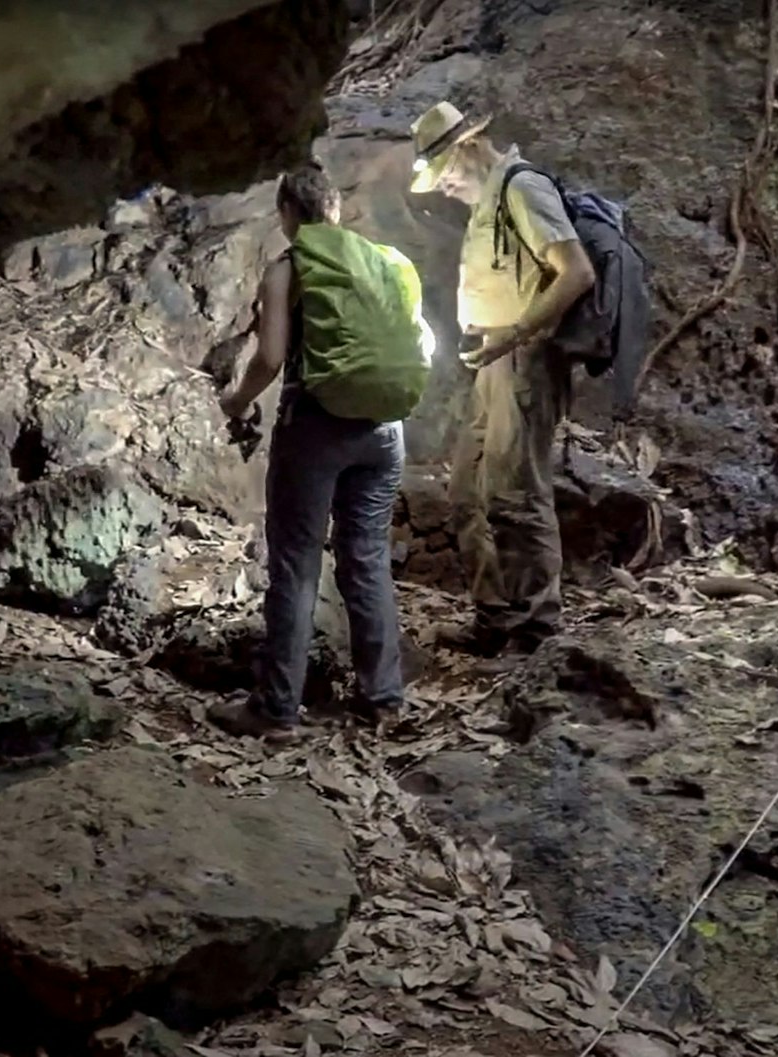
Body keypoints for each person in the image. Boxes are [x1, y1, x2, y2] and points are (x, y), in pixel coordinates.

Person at [209, 164, 416, 738]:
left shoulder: (289, 267)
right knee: (367, 559)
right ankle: (384, 699)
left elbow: (271, 358)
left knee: (297, 567)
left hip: (318, 429)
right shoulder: (382, 260)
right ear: (336, 210)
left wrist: (236, 402)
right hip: (386, 429)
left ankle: (276, 710)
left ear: (287, 215)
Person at [409, 101, 596, 656]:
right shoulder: (488, 202)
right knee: (468, 491)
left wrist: (518, 333)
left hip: (524, 359)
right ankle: (495, 618)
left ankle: (536, 629)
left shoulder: (522, 187)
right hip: (494, 356)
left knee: (518, 492)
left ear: (468, 145)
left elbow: (576, 272)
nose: (443, 190)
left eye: (444, 177)